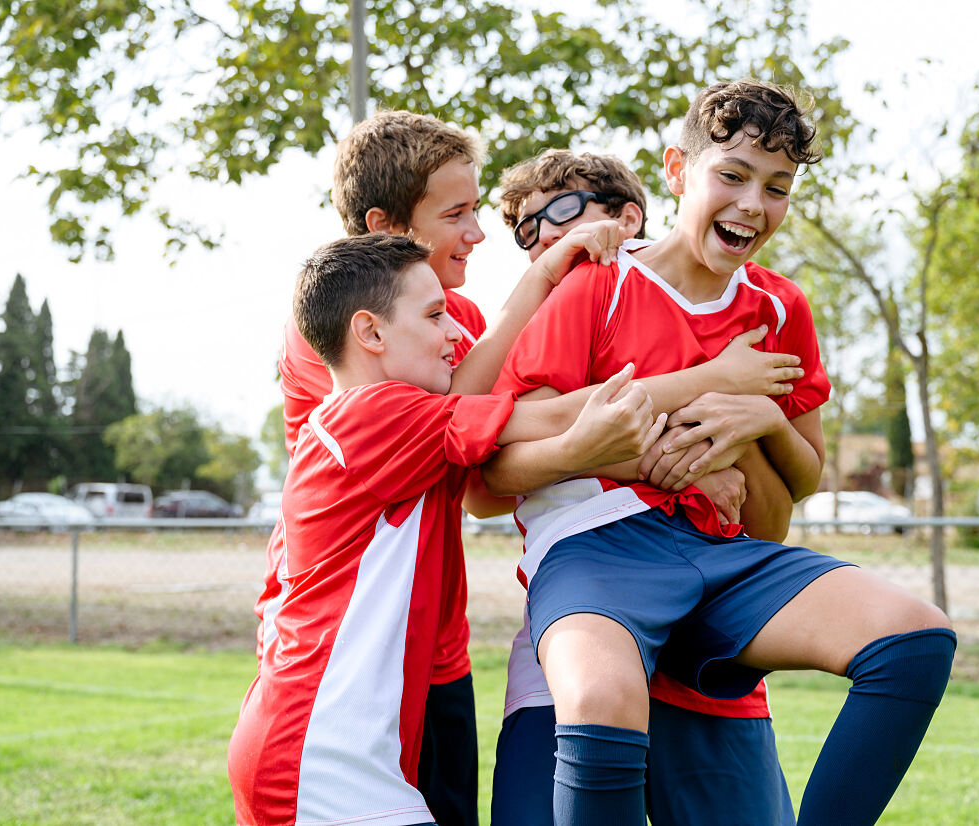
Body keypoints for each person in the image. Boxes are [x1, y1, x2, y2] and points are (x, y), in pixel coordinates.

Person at [482, 80, 956, 826]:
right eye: (731, 175)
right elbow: (508, 436)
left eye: (777, 188)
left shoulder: (778, 307)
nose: (751, 204)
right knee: (601, 697)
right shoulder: (599, 286)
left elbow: (801, 478)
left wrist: (758, 417)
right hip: (598, 552)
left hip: (723, 552)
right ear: (677, 171)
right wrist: (658, 427)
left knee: (915, 637)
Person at [228, 234, 671, 826]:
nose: (454, 332)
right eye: (434, 316)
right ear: (372, 333)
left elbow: (472, 386)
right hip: (317, 760)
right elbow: (555, 417)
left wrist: (539, 275)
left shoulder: (379, 422)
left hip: (321, 749)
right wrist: (721, 381)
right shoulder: (373, 416)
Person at [266, 111, 627, 826]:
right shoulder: (337, 331)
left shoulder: (450, 313)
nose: (479, 233)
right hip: (354, 656)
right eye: (457, 213)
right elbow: (468, 433)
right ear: (386, 226)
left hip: (436, 653)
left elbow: (489, 468)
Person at [489, 149, 799, 825]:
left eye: (566, 211)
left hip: (702, 654)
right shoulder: (537, 331)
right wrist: (663, 452)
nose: (547, 233)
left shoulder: (742, 315)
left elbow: (767, 520)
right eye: (528, 227)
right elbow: (488, 476)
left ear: (630, 219)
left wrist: (748, 425)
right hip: (574, 643)